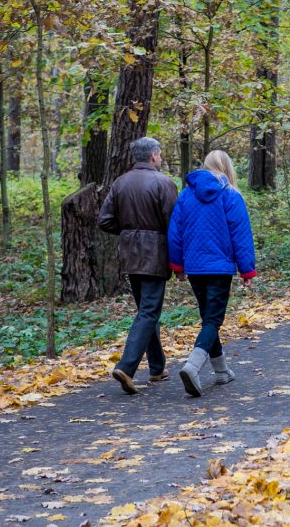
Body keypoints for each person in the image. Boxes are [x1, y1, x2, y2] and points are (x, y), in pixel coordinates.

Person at [167, 150, 257, 397]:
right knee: (213, 320)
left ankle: (221, 371)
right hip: (219, 267)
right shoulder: (230, 195)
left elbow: (175, 233)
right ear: (228, 167)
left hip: (195, 267)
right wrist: (247, 271)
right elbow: (241, 235)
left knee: (208, 317)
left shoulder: (186, 195)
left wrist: (178, 265)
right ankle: (192, 367)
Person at [98, 137, 178, 394]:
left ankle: (157, 368)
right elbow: (173, 225)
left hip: (130, 254)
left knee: (147, 310)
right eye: (161, 153)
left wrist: (130, 232)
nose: (161, 157)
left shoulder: (120, 182)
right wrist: (178, 260)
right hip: (154, 254)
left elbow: (105, 220)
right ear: (153, 155)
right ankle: (126, 366)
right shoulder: (163, 182)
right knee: (148, 311)